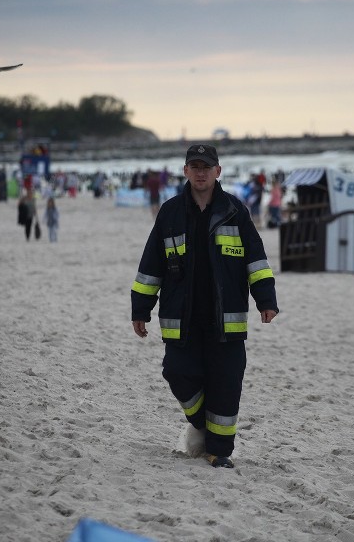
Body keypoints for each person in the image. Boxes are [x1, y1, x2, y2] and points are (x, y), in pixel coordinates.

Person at [131, 144, 278, 469]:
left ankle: (219, 451)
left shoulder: (235, 212)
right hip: (180, 319)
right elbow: (150, 265)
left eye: (206, 166)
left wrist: (266, 299)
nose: (200, 172)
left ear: (217, 172)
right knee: (177, 372)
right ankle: (199, 421)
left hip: (226, 321)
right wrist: (140, 308)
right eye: (194, 166)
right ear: (185, 171)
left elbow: (256, 259)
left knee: (227, 383)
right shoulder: (169, 213)